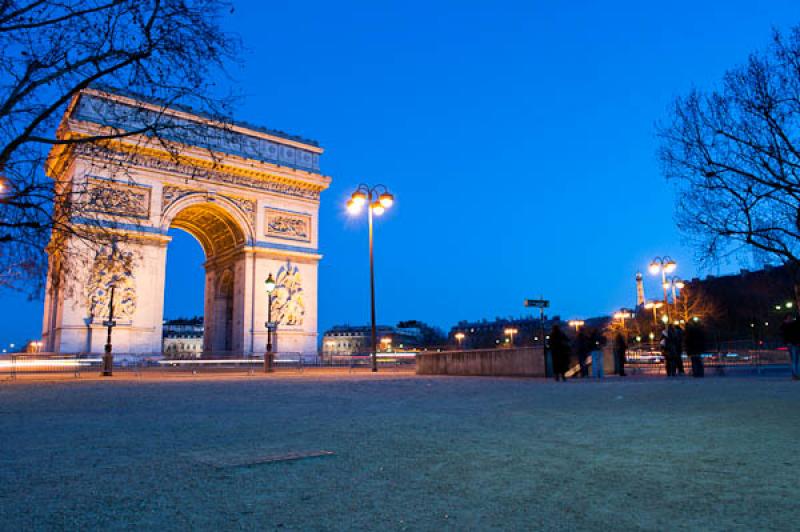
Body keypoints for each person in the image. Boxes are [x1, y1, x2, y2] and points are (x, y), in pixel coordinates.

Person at [780, 313, 800, 381]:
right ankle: (795, 375)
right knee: (795, 360)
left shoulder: (787, 325)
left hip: (793, 343)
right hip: (793, 344)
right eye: (789, 317)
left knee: (795, 360)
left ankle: (795, 374)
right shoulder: (788, 325)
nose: (790, 318)